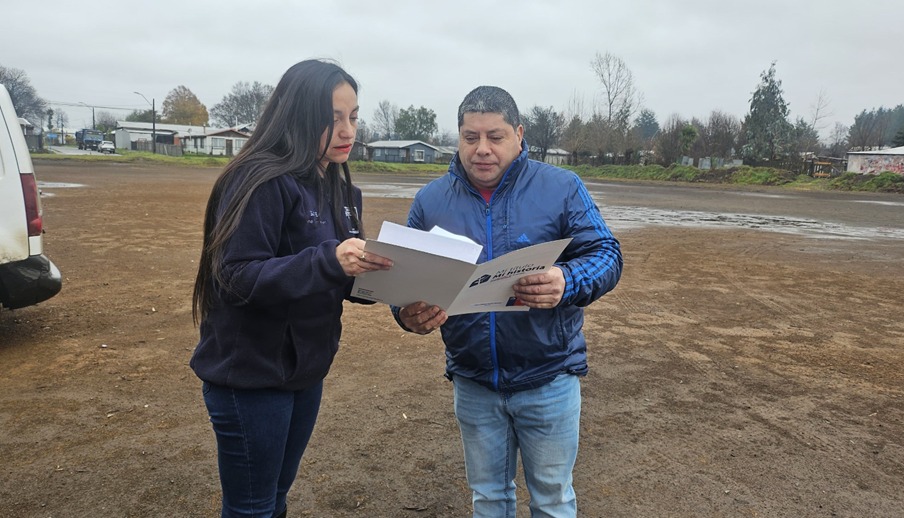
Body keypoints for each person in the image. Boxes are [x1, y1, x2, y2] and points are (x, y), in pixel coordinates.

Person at [392, 86, 622, 517]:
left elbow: (607, 253)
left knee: (553, 499)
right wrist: (407, 315)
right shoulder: (430, 201)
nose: (481, 149)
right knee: (488, 498)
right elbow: (406, 281)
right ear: (458, 137)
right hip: (474, 381)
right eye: (470, 137)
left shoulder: (562, 187)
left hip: (549, 378)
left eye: (494, 137)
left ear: (518, 134)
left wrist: (567, 280)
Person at [189, 59, 391, 518]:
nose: (347, 130)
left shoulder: (341, 189)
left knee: (275, 498)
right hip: (251, 377)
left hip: (305, 370)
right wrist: (331, 260)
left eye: (353, 116)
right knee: (252, 507)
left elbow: (339, 279)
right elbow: (235, 276)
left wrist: (398, 284)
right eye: (332, 117)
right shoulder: (259, 180)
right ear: (297, 116)